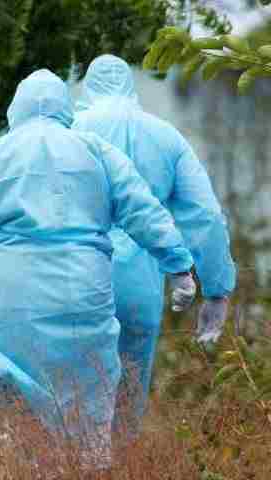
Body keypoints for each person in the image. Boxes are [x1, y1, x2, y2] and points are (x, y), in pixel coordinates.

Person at [0, 69, 196, 469]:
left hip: (11, 300)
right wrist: (179, 265)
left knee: (0, 403)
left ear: (16, 108)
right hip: (84, 296)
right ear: (66, 107)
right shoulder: (97, 151)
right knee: (85, 410)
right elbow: (142, 209)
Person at [73, 54, 236, 431]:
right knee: (126, 412)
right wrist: (217, 292)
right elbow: (206, 217)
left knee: (70, 409)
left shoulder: (67, 132)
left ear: (87, 89)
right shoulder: (166, 136)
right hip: (139, 287)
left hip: (78, 281)